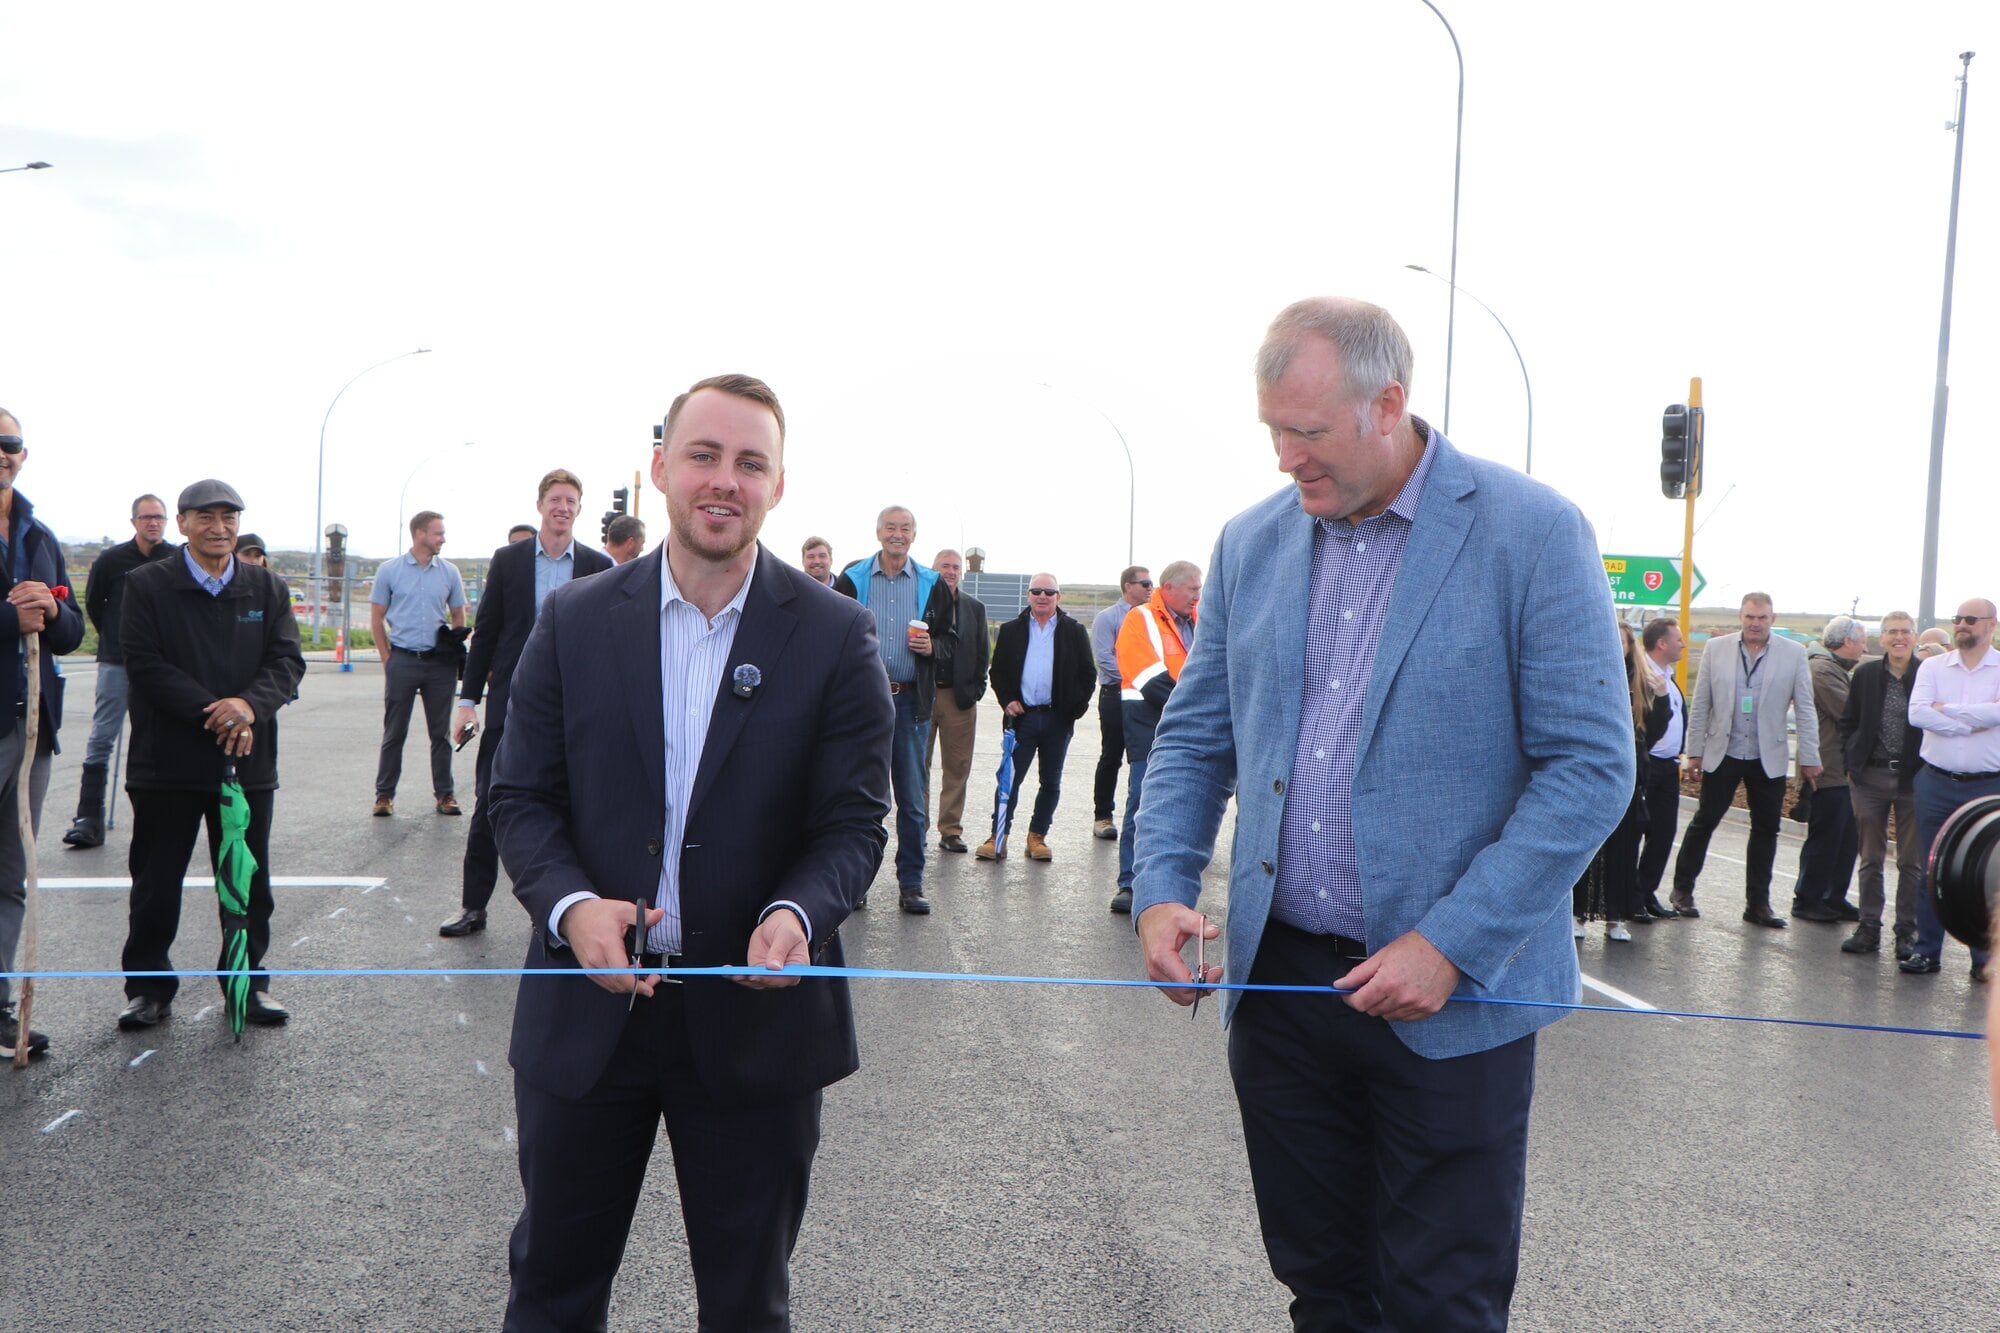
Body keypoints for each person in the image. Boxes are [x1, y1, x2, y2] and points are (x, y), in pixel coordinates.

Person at [1132, 298, 1632, 1329]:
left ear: (1387, 404)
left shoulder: (1530, 531)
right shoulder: (1249, 544)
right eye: (1272, 430)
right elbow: (1194, 735)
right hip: (1281, 992)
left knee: (1438, 1303)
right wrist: (1161, 887)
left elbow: (1587, 765)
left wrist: (1446, 944)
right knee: (1322, 1288)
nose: (1285, 459)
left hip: (1451, 999)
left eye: (1306, 433)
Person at [490, 373, 892, 1331]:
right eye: (704, 455)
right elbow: (521, 797)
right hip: (589, 1017)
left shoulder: (837, 635)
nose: (725, 480)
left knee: (748, 1307)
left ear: (779, 485)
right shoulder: (574, 620)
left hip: (757, 1030)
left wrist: (796, 915)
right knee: (551, 1291)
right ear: (662, 466)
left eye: (751, 463)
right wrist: (569, 906)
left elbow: (852, 822)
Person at [114, 479, 305, 1031]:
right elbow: (144, 663)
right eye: (206, 517)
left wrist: (247, 705)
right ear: (182, 523)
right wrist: (216, 711)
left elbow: (287, 662)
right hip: (165, 765)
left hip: (247, 763)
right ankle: (148, 990)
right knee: (155, 881)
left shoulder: (266, 589)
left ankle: (247, 984)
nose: (219, 528)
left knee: (247, 881)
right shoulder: (147, 585)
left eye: (229, 517)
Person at [445, 470, 611, 937]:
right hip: (512, 705)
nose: (563, 507)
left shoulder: (597, 566)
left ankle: (577, 912)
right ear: (541, 505)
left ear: (579, 509)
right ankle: (473, 907)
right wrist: (467, 700)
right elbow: (487, 635)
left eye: (571, 500)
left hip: (577, 707)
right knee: (490, 804)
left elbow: (609, 643)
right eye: (555, 499)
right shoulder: (510, 561)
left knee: (580, 807)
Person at [0, 408, 85, 1061]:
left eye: (11, 444)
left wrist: (52, 608)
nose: (3, 453)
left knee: (10, 874)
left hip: (32, 727)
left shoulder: (39, 534)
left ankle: (0, 1007)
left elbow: (70, 630)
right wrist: (8, 616)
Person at [1669, 593, 1821, 926]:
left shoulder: (1793, 654)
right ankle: (1682, 891)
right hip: (1723, 750)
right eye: (1750, 617)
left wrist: (1809, 757)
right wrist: (1694, 752)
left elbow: (1806, 709)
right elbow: (1702, 704)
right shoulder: (1716, 648)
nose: (1755, 623)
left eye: (1762, 617)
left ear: (1773, 618)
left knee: (1766, 829)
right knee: (1705, 820)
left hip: (1768, 755)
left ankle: (1758, 904)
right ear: (1740, 616)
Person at [832, 507, 942, 912]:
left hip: (912, 702)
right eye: (891, 528)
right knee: (860, 798)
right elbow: (833, 636)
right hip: (863, 703)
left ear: (914, 534)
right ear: (878, 533)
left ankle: (911, 883)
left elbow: (952, 640)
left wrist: (934, 648)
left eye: (905, 528)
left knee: (912, 802)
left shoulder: (931, 583)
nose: (898, 535)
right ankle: (856, 882)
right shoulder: (852, 579)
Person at [63, 493, 174, 850]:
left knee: (161, 736)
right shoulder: (111, 561)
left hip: (163, 662)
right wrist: (116, 634)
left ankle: (161, 816)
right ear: (134, 522)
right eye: (146, 517)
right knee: (102, 736)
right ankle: (88, 816)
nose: (153, 523)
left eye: (159, 517)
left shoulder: (176, 559)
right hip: (116, 660)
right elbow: (95, 604)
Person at [1901, 597, 2000, 981]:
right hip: (1936, 782)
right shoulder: (1932, 666)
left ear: (1991, 624)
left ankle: (1984, 959)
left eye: (1971, 619)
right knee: (1931, 867)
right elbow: (1917, 713)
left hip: (1989, 786)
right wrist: (1974, 720)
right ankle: (1926, 950)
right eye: (1958, 619)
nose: (1962, 625)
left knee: (1988, 876)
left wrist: (1948, 711)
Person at [976, 573, 1094, 862]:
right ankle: (998, 837)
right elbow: (998, 672)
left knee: (1050, 781)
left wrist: (1073, 709)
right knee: (1009, 780)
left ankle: (1037, 837)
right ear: (1028, 595)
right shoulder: (1011, 630)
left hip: (1058, 719)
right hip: (1022, 720)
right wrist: (1008, 700)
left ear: (1058, 597)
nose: (1043, 596)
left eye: (1049, 592)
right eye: (1037, 591)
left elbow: (1087, 675)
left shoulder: (1074, 631)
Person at [1110, 561, 1198, 913]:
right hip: (1150, 725)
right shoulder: (1141, 618)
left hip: (1192, 725)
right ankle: (1130, 884)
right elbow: (1149, 678)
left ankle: (1173, 889)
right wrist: (1194, 707)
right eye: (1192, 588)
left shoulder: (1198, 619)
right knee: (1143, 804)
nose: (1197, 595)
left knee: (1190, 809)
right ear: (1170, 588)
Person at [369, 510, 467, 818]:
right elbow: (376, 617)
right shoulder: (390, 571)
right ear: (420, 534)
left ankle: (445, 795)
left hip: (439, 665)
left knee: (440, 734)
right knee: (394, 732)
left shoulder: (449, 572)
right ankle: (384, 796)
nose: (443, 538)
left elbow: (458, 615)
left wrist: (453, 648)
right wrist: (387, 658)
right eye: (438, 533)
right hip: (403, 660)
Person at [1838, 610, 1924, 957]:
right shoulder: (1866, 674)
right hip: (1869, 777)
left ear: (1915, 636)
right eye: (1892, 632)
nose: (1899, 637)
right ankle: (1868, 926)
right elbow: (1849, 721)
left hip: (1914, 779)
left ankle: (1907, 930)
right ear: (1882, 638)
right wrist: (1851, 760)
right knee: (1870, 856)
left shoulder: (1927, 674)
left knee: (1911, 861)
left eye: (1905, 631)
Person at [1574, 621, 1662, 943]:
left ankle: (1615, 918)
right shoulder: (1591, 676)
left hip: (1629, 778)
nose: (1618, 647)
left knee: (1624, 853)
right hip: (1593, 774)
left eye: (1623, 642)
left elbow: (1652, 731)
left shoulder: (1641, 685)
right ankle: (1579, 914)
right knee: (1590, 851)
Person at [1792, 615, 1868, 922]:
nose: (1865, 647)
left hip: (1842, 770)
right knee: (1826, 838)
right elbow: (1851, 712)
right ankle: (1808, 898)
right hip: (1827, 769)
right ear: (1848, 641)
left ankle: (1834, 897)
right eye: (1862, 641)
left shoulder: (1834, 669)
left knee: (1845, 839)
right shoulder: (1821, 670)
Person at [925, 548, 988, 854]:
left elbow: (981, 652)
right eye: (944, 566)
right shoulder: (921, 600)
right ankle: (916, 827)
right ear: (932, 569)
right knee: (916, 766)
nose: (950, 571)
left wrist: (976, 689)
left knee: (957, 767)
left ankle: (950, 830)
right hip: (922, 695)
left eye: (955, 567)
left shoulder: (974, 608)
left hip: (958, 698)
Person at [1091, 565, 1151, 841]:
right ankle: (1103, 816)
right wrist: (1142, 676)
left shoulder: (1152, 618)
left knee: (1143, 759)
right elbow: (1105, 660)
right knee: (1111, 756)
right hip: (1116, 696)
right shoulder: (1108, 618)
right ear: (1128, 586)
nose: (1150, 589)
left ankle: (1140, 818)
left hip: (1147, 698)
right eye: (1145, 584)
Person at [1633, 617, 1687, 920]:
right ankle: (1630, 897)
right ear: (1662, 643)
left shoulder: (1668, 676)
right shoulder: (1642, 676)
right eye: (1678, 639)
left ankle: (1646, 892)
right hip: (1647, 765)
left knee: (1664, 832)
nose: (1683, 644)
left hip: (1669, 767)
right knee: (1637, 831)